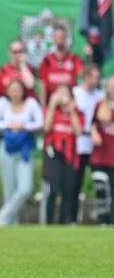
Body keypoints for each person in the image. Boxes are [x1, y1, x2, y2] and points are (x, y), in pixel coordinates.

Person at [0, 79, 44, 226]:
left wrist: (24, 126)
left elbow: (40, 122)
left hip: (24, 148)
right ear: (7, 92)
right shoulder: (2, 104)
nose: (15, 92)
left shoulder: (30, 103)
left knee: (25, 188)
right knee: (9, 189)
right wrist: (9, 125)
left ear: (23, 91)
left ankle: (2, 216)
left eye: (18, 89)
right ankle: (12, 225)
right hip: (6, 147)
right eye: (12, 89)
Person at [42, 85, 84, 224]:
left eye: (65, 94)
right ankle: (48, 222)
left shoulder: (77, 112)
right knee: (53, 190)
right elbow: (47, 128)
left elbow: (78, 131)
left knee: (68, 190)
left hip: (70, 155)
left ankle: (63, 222)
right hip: (53, 153)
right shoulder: (52, 111)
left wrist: (71, 111)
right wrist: (52, 106)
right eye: (59, 94)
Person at [72, 64, 103, 223]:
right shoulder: (75, 93)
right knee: (75, 184)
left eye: (98, 78)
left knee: (100, 184)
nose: (97, 81)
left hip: (97, 146)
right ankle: (72, 219)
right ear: (86, 77)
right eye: (94, 77)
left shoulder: (101, 96)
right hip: (78, 145)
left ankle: (103, 218)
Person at [38, 24, 84, 108]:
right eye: (57, 37)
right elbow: (43, 85)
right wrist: (43, 107)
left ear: (66, 38)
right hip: (52, 102)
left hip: (69, 102)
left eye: (62, 37)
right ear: (53, 38)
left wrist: (88, 57)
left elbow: (83, 75)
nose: (60, 40)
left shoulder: (74, 59)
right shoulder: (47, 60)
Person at [90, 76, 114, 226]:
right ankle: (103, 221)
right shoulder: (100, 105)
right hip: (100, 157)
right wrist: (94, 133)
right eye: (111, 85)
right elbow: (92, 124)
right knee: (101, 191)